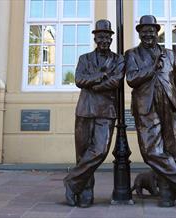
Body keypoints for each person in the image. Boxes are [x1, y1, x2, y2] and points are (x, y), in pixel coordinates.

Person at [125, 15, 176, 207]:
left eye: (152, 31)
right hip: (146, 106)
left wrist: (175, 103)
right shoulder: (132, 54)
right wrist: (152, 66)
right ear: (139, 33)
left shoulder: (170, 54)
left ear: (157, 33)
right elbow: (131, 79)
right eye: (145, 31)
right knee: (150, 150)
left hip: (169, 104)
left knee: (171, 150)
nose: (149, 34)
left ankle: (167, 193)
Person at [63, 19, 124, 208]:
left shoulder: (118, 59)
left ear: (111, 38)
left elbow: (116, 81)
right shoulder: (84, 58)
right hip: (85, 110)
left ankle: (72, 181)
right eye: (101, 36)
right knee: (82, 154)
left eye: (107, 36)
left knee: (100, 150)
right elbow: (79, 80)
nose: (104, 39)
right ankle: (85, 191)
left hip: (106, 111)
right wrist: (100, 76)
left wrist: (95, 85)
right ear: (95, 38)